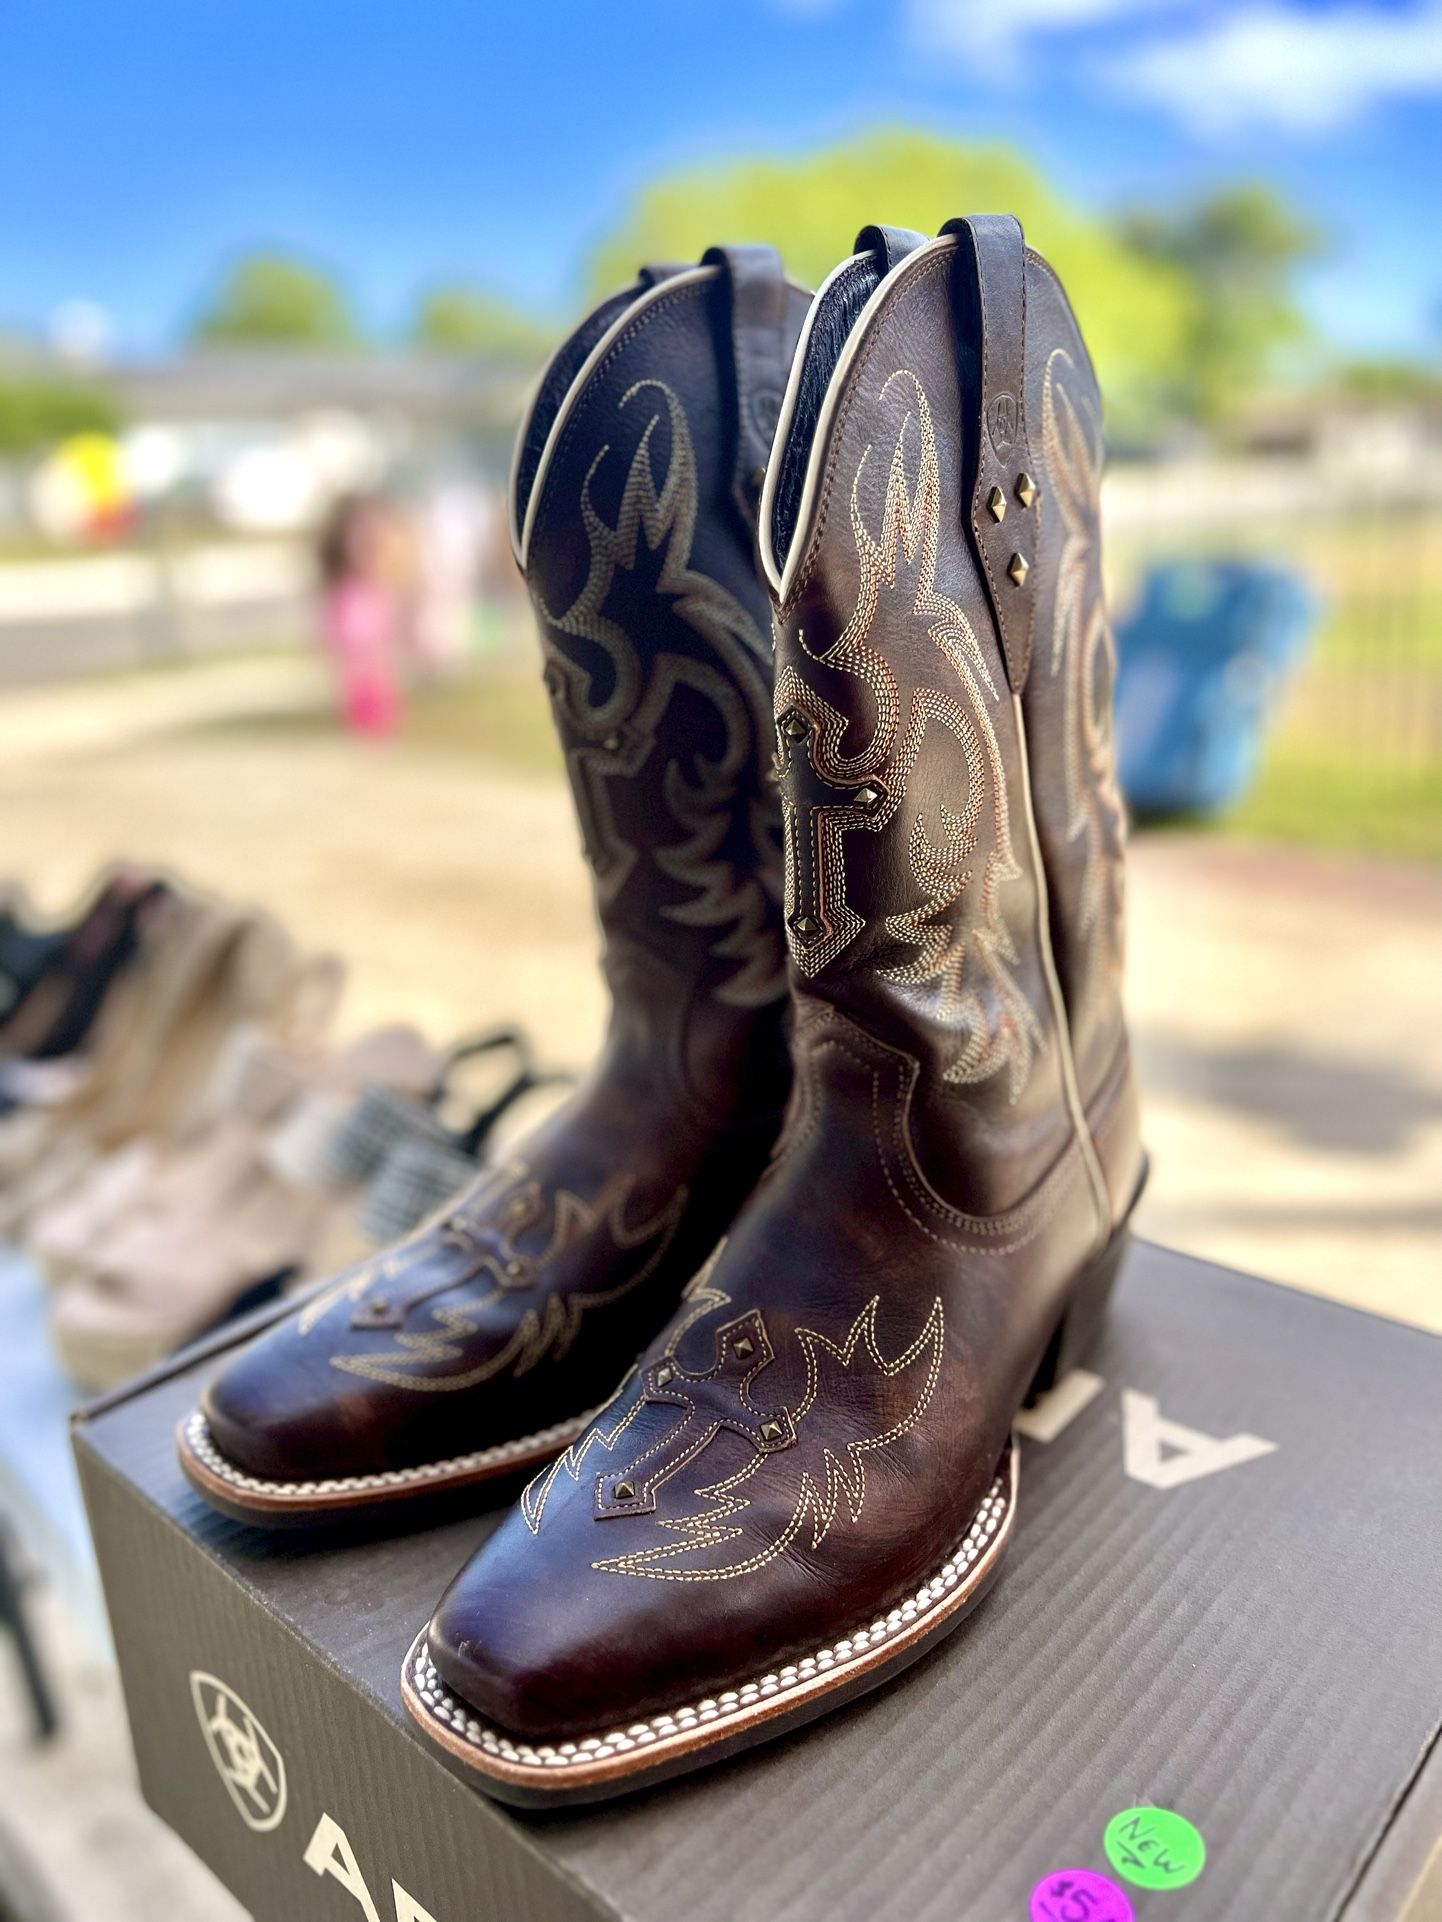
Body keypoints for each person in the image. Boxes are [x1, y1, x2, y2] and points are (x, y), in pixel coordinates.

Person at [316, 494, 404, 738]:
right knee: (360, 669)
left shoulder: (370, 533)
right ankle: (365, 722)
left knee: (374, 667)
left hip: (367, 596)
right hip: (357, 598)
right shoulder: (351, 538)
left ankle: (378, 722)